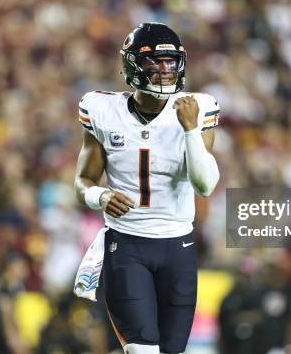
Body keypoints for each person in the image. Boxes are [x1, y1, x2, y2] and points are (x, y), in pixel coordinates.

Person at [74, 22, 220, 354]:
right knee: (141, 350)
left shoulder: (197, 108)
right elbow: (83, 183)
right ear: (132, 65)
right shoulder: (102, 110)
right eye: (155, 61)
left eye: (171, 62)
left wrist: (191, 131)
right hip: (127, 244)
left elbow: (206, 185)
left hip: (178, 245)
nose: (165, 70)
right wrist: (102, 195)